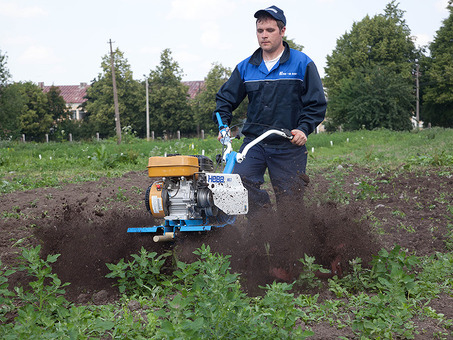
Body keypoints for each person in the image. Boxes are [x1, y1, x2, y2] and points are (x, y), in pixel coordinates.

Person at [213, 5, 327, 216]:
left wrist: (304, 128)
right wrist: (223, 125)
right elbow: (224, 100)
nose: (264, 36)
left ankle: (288, 240)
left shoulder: (302, 63)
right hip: (254, 144)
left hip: (288, 144)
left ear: (282, 31)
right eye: (260, 31)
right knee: (237, 185)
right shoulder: (246, 67)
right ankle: (264, 226)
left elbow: (316, 103)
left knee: (290, 201)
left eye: (270, 30)